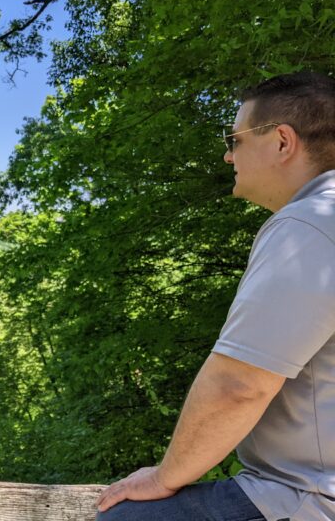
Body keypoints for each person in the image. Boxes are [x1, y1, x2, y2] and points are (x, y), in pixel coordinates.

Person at [95, 71, 335, 521]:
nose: (228, 156)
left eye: (236, 138)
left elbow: (240, 386)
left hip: (308, 494)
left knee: (123, 518)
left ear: (283, 142)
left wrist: (164, 477)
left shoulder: (309, 225)